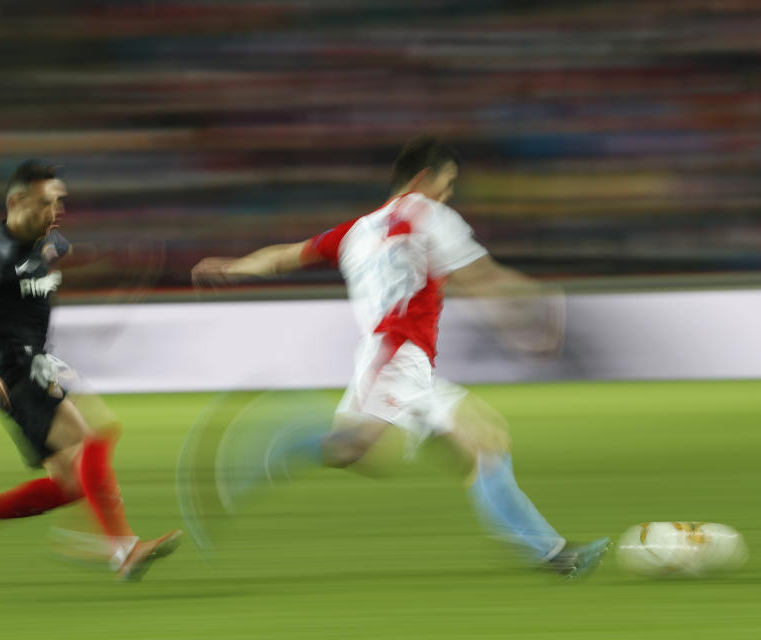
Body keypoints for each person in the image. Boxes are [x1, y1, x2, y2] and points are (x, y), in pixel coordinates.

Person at [191, 136, 610, 577]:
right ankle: (275, 436)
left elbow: (282, 258)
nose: (449, 196)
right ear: (422, 178)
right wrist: (534, 305)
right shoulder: (430, 214)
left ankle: (550, 553)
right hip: (397, 354)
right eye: (448, 185)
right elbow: (482, 277)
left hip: (400, 358)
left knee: (485, 441)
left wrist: (233, 265)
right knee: (353, 449)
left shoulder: (354, 231)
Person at [0, 160, 181, 581]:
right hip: (16, 372)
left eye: (61, 200)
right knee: (94, 442)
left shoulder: (46, 242)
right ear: (17, 201)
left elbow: (53, 262)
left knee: (70, 482)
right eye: (49, 202)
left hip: (41, 364)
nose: (58, 209)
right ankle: (123, 549)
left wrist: (118, 265)